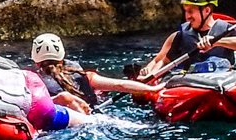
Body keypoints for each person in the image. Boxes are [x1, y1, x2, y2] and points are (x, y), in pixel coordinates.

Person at [142, 0, 236, 78]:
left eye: (191, 11)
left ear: (206, 10)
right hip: (189, 85)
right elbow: (161, 61)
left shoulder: (226, 30)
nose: (187, 16)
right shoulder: (179, 36)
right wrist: (149, 74)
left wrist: (217, 42)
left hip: (221, 82)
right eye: (186, 11)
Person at [28, 33, 162, 114]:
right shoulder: (82, 74)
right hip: (95, 117)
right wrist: (152, 88)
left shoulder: (31, 81)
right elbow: (120, 85)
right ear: (62, 56)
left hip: (63, 121)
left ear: (35, 60)